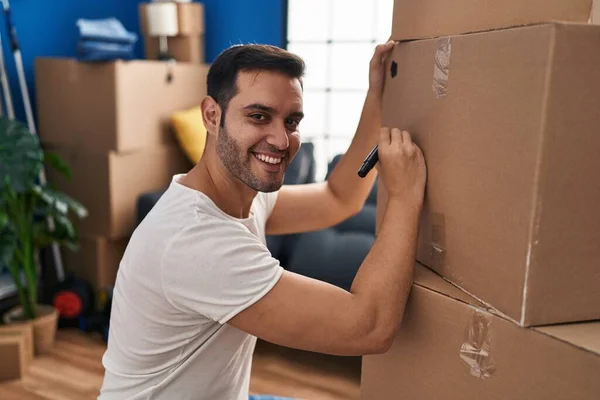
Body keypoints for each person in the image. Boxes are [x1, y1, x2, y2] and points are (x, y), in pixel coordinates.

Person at [98, 41, 426, 400]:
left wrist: (377, 95)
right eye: (258, 116)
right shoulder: (195, 240)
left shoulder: (240, 197)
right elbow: (370, 327)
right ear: (211, 115)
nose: (281, 139)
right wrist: (406, 195)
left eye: (291, 121)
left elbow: (338, 198)